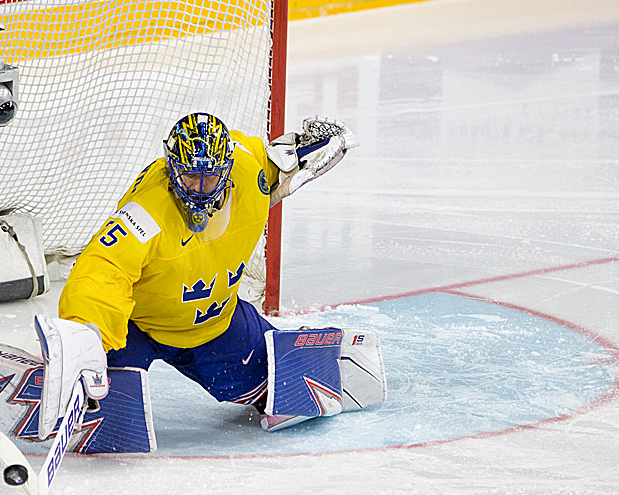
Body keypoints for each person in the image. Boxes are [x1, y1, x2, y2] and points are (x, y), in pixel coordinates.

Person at [34, 112, 387, 447]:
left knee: (279, 392)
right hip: (137, 327)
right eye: (189, 176)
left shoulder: (248, 168)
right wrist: (86, 334)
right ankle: (56, 384)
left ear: (228, 170)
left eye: (211, 177)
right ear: (171, 168)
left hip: (214, 322)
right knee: (101, 404)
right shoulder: (146, 212)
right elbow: (102, 270)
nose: (200, 189)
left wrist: (305, 148)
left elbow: (278, 158)